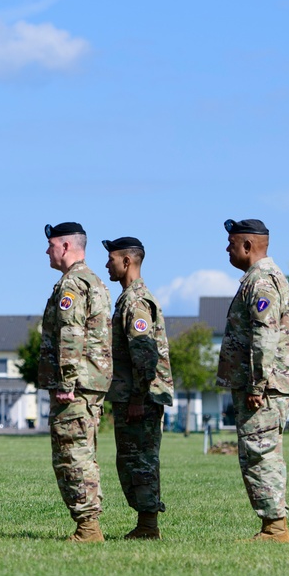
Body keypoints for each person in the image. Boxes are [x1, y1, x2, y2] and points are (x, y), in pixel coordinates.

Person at [218, 219, 289, 543]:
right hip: (270, 383)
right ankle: (273, 526)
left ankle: (275, 528)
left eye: (232, 243)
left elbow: (264, 336)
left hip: (265, 386)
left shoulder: (262, 281)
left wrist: (256, 384)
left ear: (248, 246)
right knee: (263, 451)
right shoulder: (262, 277)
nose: (227, 248)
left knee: (260, 452)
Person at [38, 222, 112, 543]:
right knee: (82, 451)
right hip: (89, 382)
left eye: (51, 244)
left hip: (76, 385)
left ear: (66, 246)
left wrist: (66, 380)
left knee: (73, 454)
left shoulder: (73, 284)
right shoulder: (92, 281)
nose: (47, 250)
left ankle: (88, 527)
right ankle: (88, 524)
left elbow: (71, 334)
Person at [102, 236, 173, 539]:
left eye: (112, 259)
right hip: (134, 395)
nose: (107, 264)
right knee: (132, 460)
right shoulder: (128, 299)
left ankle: (148, 526)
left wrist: (136, 397)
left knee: (141, 460)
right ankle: (146, 524)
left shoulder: (136, 301)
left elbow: (144, 354)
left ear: (127, 261)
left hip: (139, 397)